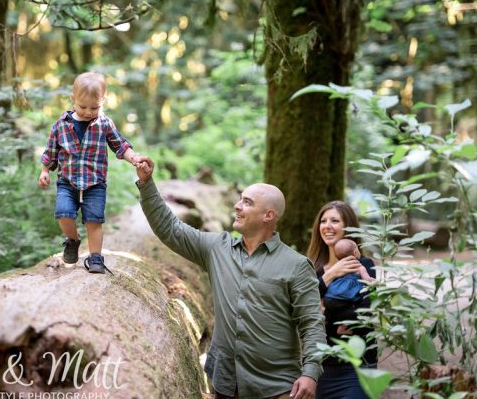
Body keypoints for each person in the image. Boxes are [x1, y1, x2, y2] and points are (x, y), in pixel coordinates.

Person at [135, 161, 326, 399]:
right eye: (240, 199)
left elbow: (311, 324)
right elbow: (170, 228)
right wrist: (146, 183)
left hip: (277, 388)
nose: (237, 206)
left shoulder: (296, 266)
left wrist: (310, 373)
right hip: (226, 384)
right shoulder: (217, 248)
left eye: (247, 203)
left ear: (268, 215)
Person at [39, 72, 151, 274]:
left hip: (95, 182)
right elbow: (51, 151)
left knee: (94, 220)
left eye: (95, 107)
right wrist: (45, 170)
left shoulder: (105, 124)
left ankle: (96, 258)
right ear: (73, 99)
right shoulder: (60, 125)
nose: (89, 112)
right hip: (68, 180)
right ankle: (72, 240)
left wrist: (133, 157)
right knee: (64, 213)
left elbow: (120, 146)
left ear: (103, 101)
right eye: (83, 107)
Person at [306, 201, 377, 399]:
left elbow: (365, 311)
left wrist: (325, 311)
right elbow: (301, 310)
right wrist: (329, 276)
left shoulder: (362, 264)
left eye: (335, 221)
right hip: (319, 369)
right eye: (323, 221)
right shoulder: (311, 268)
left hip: (357, 366)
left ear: (349, 227)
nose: (327, 226)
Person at [323, 239, 373, 309]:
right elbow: (367, 280)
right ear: (355, 253)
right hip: (346, 297)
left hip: (331, 296)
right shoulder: (359, 266)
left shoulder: (338, 267)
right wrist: (374, 281)